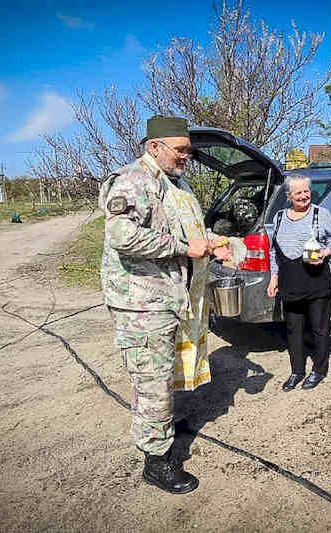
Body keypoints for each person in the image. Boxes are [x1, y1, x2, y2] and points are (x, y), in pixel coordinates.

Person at [99, 115, 234, 495]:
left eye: (189, 151)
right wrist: (182, 249)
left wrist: (212, 245)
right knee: (152, 384)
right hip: (141, 304)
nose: (187, 157)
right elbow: (122, 235)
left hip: (167, 300)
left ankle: (162, 439)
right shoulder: (133, 181)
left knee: (162, 378)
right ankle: (156, 463)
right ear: (153, 147)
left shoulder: (175, 183)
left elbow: (188, 233)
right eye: (182, 150)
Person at [266, 175, 331, 391]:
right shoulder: (279, 218)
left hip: (316, 280)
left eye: (307, 191)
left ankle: (319, 369)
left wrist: (324, 252)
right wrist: (273, 278)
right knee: (293, 329)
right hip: (290, 282)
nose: (304, 196)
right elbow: (273, 252)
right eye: (298, 192)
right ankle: (297, 371)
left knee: (319, 329)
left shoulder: (320, 214)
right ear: (289, 196)